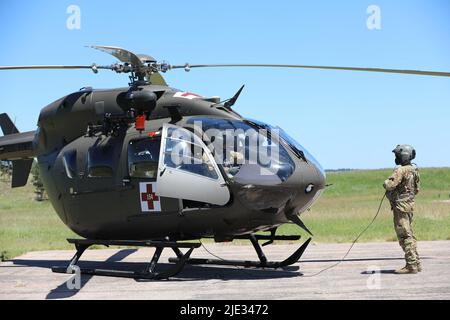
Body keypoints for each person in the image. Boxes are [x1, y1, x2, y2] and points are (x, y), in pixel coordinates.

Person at [383, 144, 421, 274]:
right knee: (410, 233)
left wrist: (386, 183)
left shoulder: (400, 171)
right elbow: (417, 189)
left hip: (400, 206)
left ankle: (411, 265)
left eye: (397, 155)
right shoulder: (414, 169)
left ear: (403, 155)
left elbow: (390, 184)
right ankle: (416, 263)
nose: (396, 158)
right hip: (409, 205)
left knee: (405, 235)